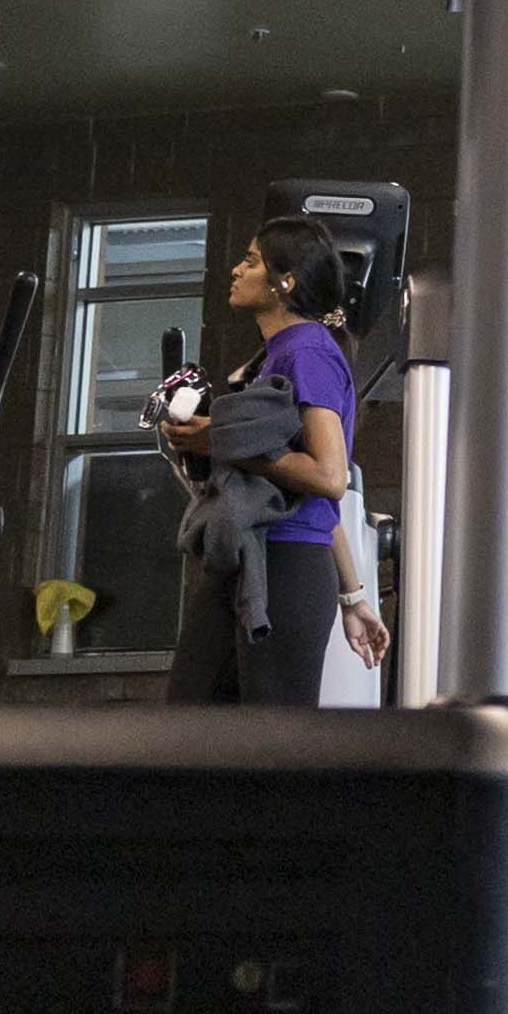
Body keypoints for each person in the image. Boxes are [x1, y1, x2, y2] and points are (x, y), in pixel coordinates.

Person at [156, 224, 395, 704]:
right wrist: (353, 597)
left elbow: (328, 477)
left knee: (271, 746)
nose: (237, 270)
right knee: (188, 724)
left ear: (284, 282)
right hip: (252, 561)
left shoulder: (306, 351)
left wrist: (221, 441)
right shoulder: (278, 355)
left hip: (286, 570)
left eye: (251, 261)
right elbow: (311, 504)